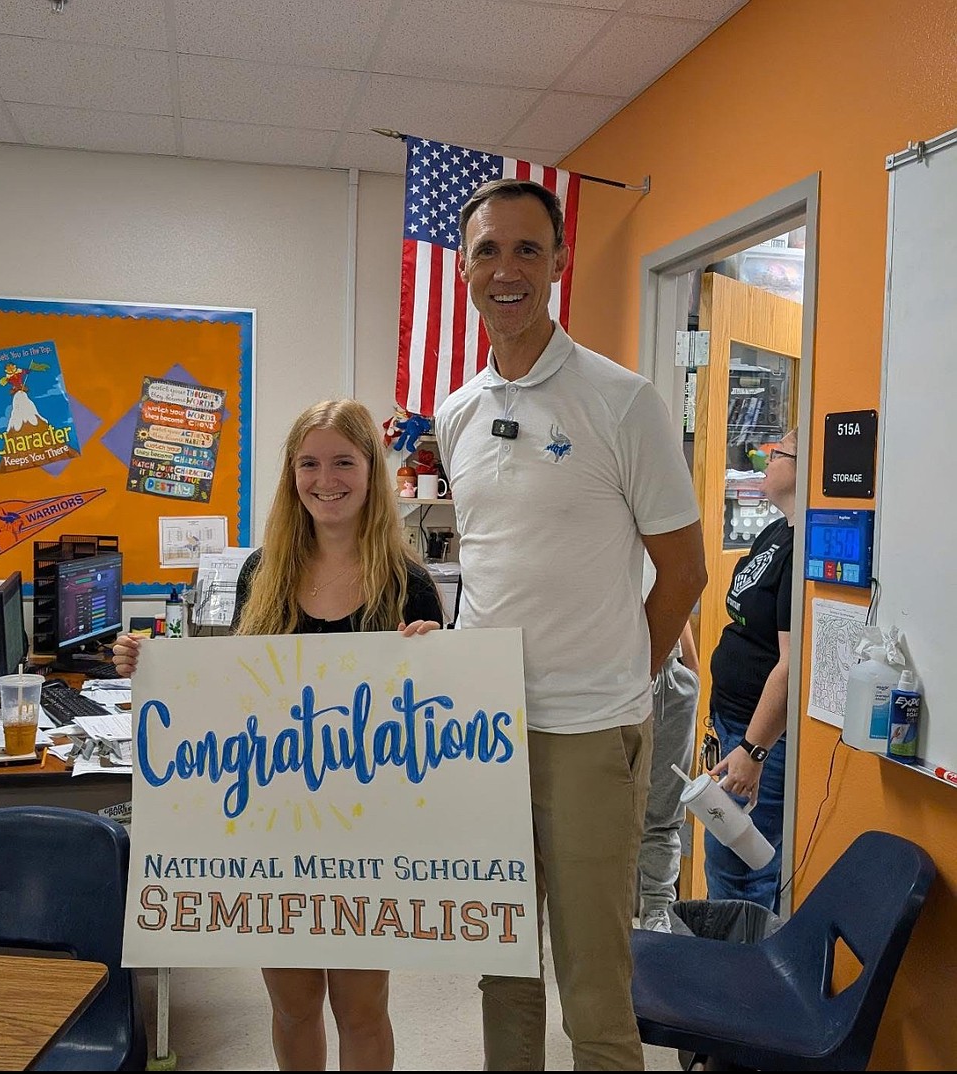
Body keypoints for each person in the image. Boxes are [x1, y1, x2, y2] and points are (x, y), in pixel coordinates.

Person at [434, 178, 707, 1071]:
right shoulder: (458, 412)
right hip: (483, 735)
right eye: (486, 250)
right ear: (464, 267)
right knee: (502, 973)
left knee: (595, 986)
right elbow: (491, 566)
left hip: (591, 733)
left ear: (558, 263)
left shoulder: (622, 402)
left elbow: (685, 570)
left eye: (525, 249)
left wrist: (626, 671)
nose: (504, 269)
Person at [113, 398, 444, 1072]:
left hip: (368, 831)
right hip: (277, 828)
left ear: (372, 472)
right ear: (291, 475)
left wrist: (441, 657)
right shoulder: (261, 574)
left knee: (361, 1009)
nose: (327, 479)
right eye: (309, 463)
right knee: (291, 1006)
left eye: (344, 462)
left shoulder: (407, 581)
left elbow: (436, 721)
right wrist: (155, 668)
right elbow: (233, 693)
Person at [704, 428, 797, 914]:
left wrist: (753, 751)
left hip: (761, 741)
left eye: (776, 453)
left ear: (803, 466)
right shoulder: (776, 530)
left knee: (745, 868)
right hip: (733, 724)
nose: (763, 459)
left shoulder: (802, 550)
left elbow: (790, 663)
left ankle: (739, 983)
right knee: (724, 860)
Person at [637, 555, 701, 934]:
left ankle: (658, 910)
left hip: (665, 676)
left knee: (662, 812)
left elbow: (677, 589)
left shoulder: (655, 528)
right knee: (606, 811)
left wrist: (690, 670)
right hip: (609, 676)